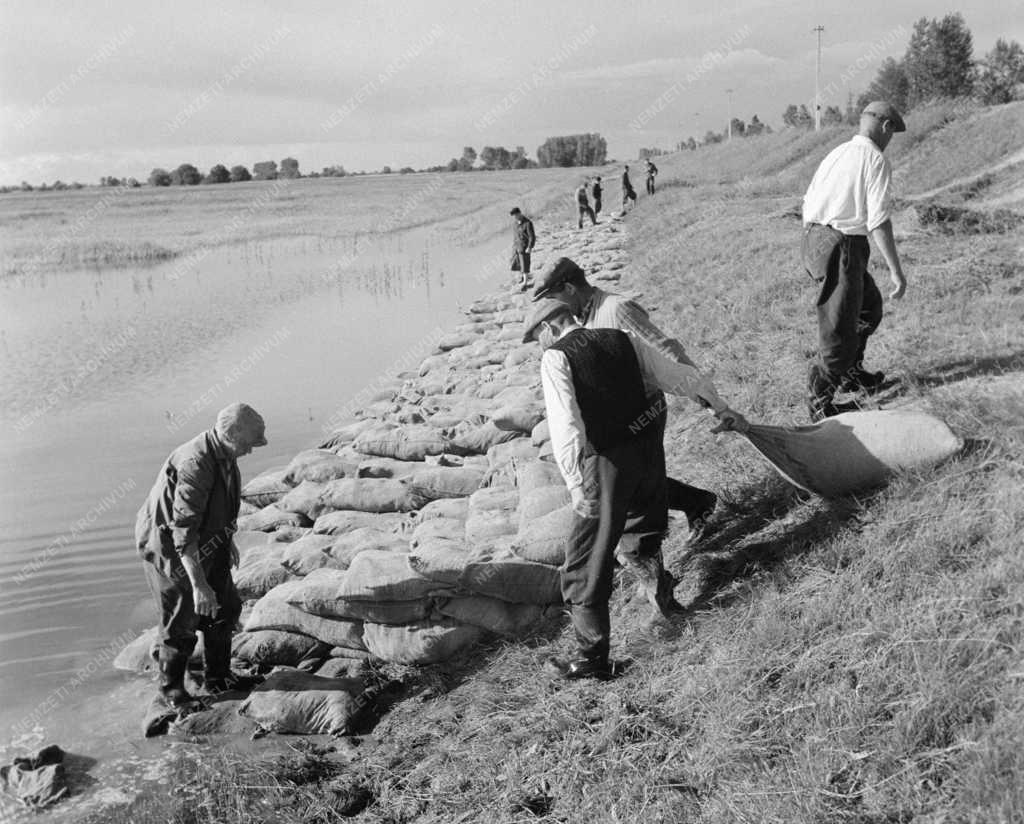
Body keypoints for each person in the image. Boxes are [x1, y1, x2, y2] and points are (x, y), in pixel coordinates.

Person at [522, 299, 744, 680]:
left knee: (585, 558)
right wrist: (719, 407)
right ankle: (666, 604)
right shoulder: (622, 338)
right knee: (641, 529)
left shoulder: (555, 359)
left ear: (548, 327)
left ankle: (592, 658)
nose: (539, 343)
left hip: (603, 463)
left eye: (536, 336)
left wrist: (576, 484)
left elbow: (566, 426)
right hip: (645, 450)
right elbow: (678, 376)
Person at [532, 257, 720, 541]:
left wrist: (709, 401)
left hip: (643, 408)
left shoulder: (616, 310)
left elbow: (664, 352)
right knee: (635, 478)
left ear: (569, 288)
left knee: (629, 477)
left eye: (553, 299)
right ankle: (692, 505)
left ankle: (653, 538)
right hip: (612, 417)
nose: (550, 309)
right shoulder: (581, 320)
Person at [135, 402, 268, 711]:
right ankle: (171, 691)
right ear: (232, 434)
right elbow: (182, 530)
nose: (251, 450)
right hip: (170, 545)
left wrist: (226, 540)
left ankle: (218, 678)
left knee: (226, 605)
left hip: (207, 538)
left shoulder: (226, 451)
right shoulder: (196, 462)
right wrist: (198, 584)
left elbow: (221, 503)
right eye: (249, 443)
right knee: (182, 618)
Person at [802, 100, 908, 421]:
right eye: (893, 132)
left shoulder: (837, 153)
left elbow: (808, 200)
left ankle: (851, 374)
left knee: (868, 308)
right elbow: (878, 221)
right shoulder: (874, 159)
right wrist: (896, 271)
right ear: (886, 126)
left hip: (814, 237)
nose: (891, 139)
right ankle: (820, 403)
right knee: (840, 327)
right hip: (842, 244)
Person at [509, 207, 536, 291]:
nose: (515, 217)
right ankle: (522, 277)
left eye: (516, 215)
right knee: (516, 263)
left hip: (524, 247)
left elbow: (532, 236)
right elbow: (515, 235)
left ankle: (525, 282)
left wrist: (530, 247)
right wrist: (514, 246)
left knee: (525, 264)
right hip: (516, 247)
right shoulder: (515, 224)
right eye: (514, 216)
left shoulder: (528, 223)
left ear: (519, 213)